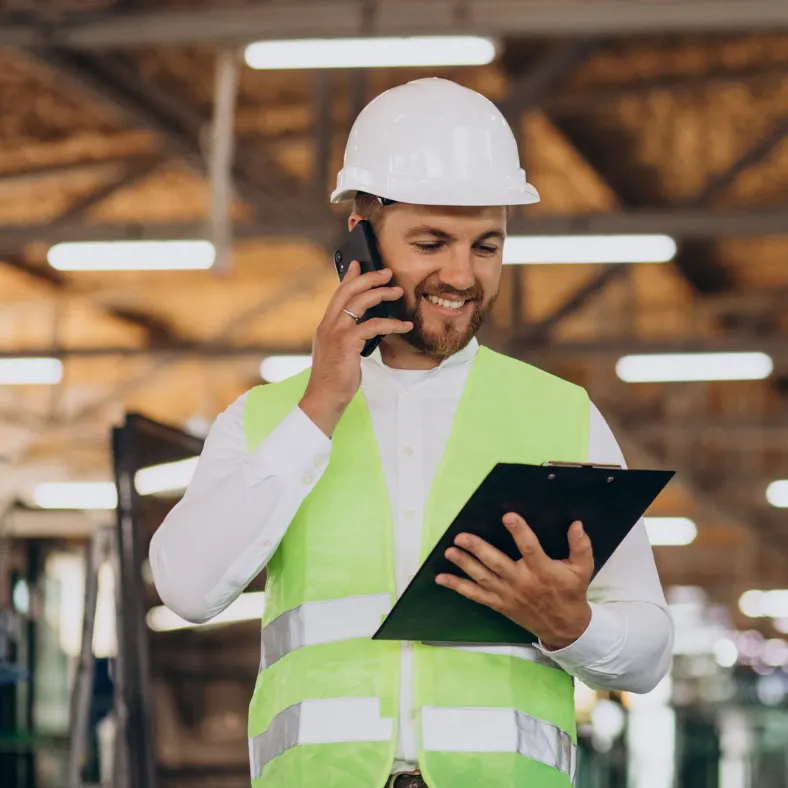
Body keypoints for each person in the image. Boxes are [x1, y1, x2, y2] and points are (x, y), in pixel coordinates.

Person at [148, 77, 674, 788]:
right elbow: (186, 587)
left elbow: (648, 654)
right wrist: (320, 409)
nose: (461, 275)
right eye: (431, 242)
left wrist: (572, 626)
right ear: (361, 231)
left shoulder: (564, 416)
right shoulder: (269, 420)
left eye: (486, 246)